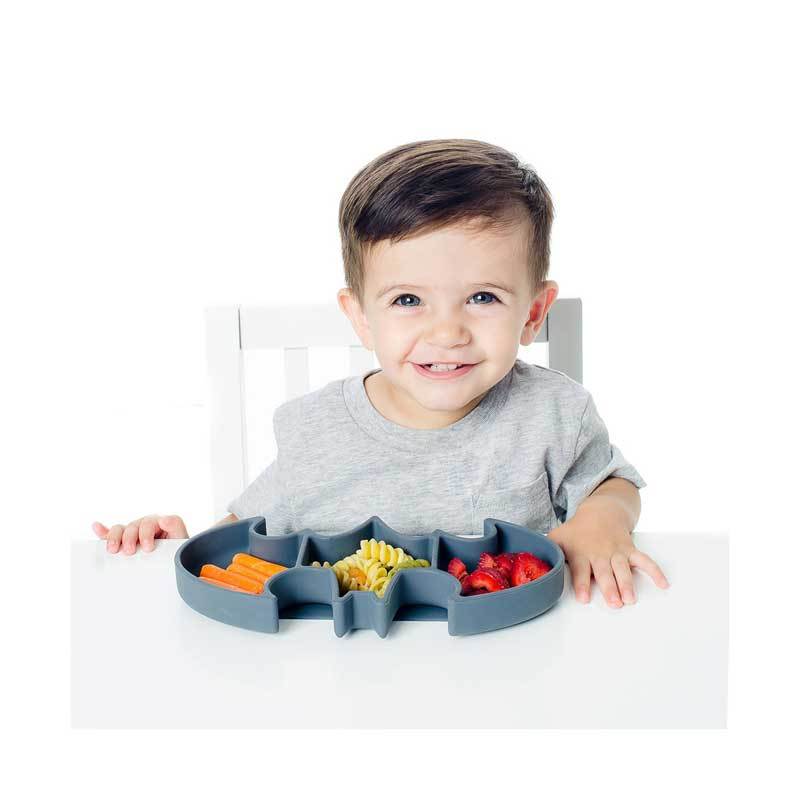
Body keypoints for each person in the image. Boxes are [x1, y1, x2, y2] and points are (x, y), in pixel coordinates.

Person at [93, 138, 669, 609]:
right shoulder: (315, 431)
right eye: (408, 300)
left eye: (483, 297)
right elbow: (242, 542)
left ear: (534, 313)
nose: (447, 332)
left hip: (512, 663)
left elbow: (613, 484)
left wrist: (602, 521)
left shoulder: (554, 413)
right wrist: (178, 544)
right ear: (360, 318)